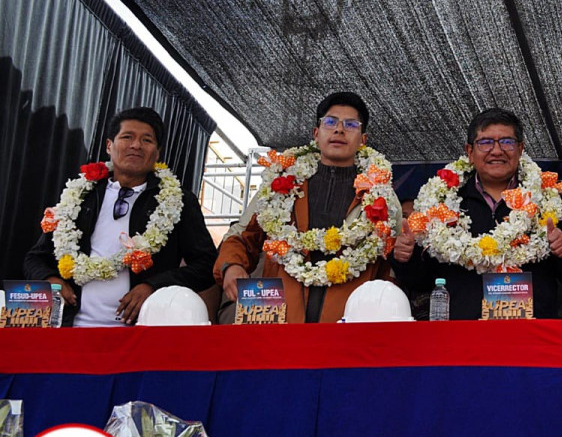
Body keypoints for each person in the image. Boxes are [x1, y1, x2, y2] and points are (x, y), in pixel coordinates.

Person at [392, 108, 562, 319]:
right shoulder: (441, 203)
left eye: (507, 142)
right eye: (485, 142)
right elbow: (420, 281)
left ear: (521, 149)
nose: (497, 151)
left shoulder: (547, 200)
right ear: (470, 152)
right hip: (465, 334)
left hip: (532, 335)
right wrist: (405, 258)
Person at [215, 92, 400, 323]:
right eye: (330, 122)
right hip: (276, 316)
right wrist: (231, 265)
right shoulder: (279, 182)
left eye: (350, 124)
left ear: (363, 139)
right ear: (316, 133)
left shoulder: (381, 195)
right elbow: (243, 234)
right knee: (265, 357)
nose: (339, 130)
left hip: (348, 320)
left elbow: (392, 261)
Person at [25, 107, 217, 326]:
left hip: (142, 333)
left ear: (157, 152)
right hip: (71, 329)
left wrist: (154, 286)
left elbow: (205, 263)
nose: (136, 145)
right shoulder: (81, 196)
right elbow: (36, 258)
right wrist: (50, 280)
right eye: (127, 137)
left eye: (147, 140)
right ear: (109, 145)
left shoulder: (179, 201)